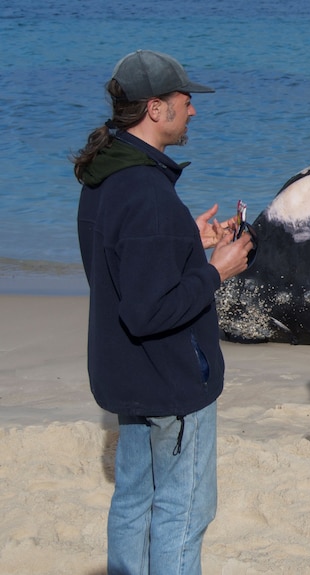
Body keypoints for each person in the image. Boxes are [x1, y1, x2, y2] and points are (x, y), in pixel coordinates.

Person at [72, 50, 254, 575]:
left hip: (126, 372)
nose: (192, 111)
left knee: (133, 500)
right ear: (155, 109)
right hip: (168, 379)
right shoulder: (146, 191)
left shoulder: (106, 175)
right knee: (184, 510)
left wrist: (184, 242)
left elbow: (122, 264)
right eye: (184, 101)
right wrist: (217, 270)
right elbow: (149, 311)